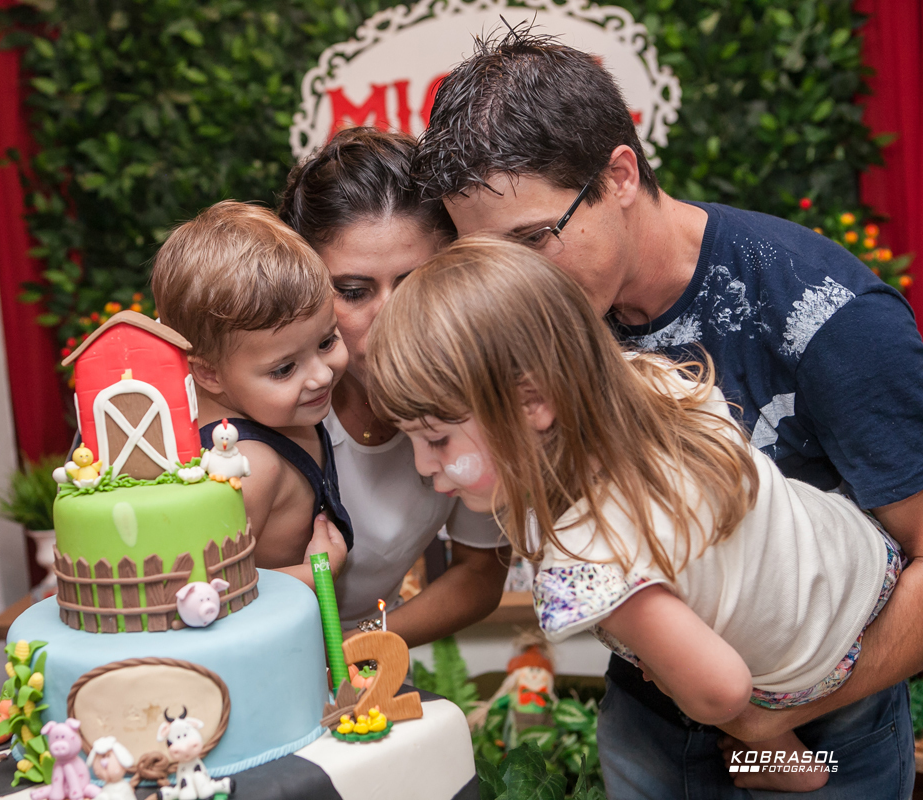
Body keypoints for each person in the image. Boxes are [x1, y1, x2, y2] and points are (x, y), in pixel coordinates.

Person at [413, 28, 923, 797]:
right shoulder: (533, 323)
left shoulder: (825, 316)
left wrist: (759, 722)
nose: (515, 285)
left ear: (619, 173)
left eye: (532, 239)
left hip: (820, 719)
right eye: (489, 255)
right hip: (651, 717)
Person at [366, 237, 903, 793]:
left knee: (710, 693)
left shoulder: (591, 559)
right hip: (858, 556)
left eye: (436, 438)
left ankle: (785, 764)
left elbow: (722, 690)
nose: (423, 465)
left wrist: (674, 677)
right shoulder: (637, 381)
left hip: (815, 663)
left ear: (534, 404)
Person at [279, 128, 511, 644]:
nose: (390, 318)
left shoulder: (479, 399)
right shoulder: (255, 398)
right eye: (354, 291)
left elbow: (479, 572)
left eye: (417, 284)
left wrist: (360, 649)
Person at [151, 200, 350, 588]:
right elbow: (202, 593)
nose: (321, 375)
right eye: (284, 369)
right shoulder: (248, 465)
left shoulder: (281, 411)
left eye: (327, 341)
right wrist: (316, 576)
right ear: (208, 372)